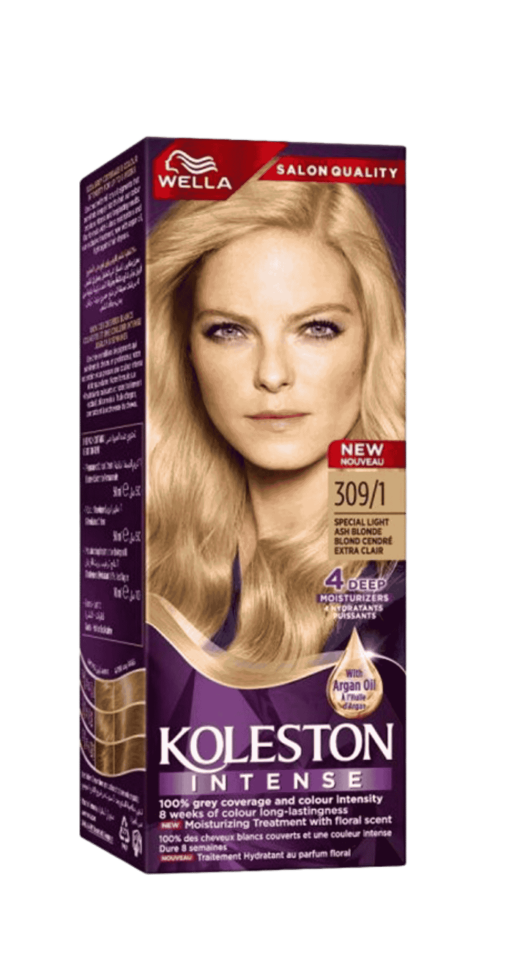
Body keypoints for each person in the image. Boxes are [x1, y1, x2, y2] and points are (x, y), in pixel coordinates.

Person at [146, 177, 406, 669]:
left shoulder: (401, 582)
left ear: (372, 341)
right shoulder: (150, 554)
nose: (271, 374)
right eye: (229, 330)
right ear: (184, 350)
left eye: (317, 328)